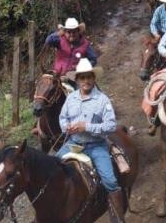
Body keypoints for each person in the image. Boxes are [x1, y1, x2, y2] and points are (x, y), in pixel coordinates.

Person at [56, 59, 126, 222]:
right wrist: (67, 127)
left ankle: (118, 218)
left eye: (89, 77)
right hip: (73, 144)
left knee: (110, 180)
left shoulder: (102, 100)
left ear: (94, 79)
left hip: (96, 146)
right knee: (53, 168)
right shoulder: (71, 98)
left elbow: (110, 125)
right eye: (82, 78)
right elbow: (62, 118)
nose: (86, 81)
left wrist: (87, 127)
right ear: (77, 80)